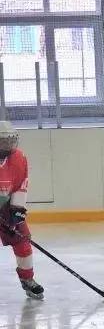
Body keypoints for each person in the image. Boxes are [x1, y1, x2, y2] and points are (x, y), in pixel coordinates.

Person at [0, 121, 43, 300]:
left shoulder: (19, 157)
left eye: (11, 140)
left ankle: (28, 280)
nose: (8, 145)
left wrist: (17, 209)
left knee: (23, 241)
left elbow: (21, 184)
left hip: (6, 206)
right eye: (3, 141)